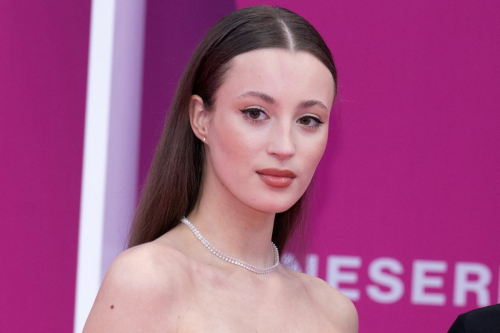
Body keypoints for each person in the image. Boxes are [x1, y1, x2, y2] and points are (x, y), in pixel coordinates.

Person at [84, 5, 358, 332]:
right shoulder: (147, 280)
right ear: (201, 118)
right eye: (255, 113)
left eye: (308, 120)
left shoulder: (333, 314)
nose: (285, 146)